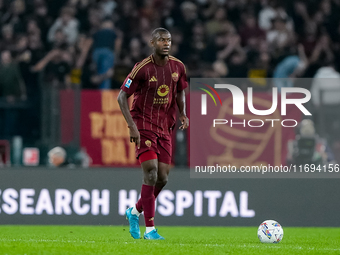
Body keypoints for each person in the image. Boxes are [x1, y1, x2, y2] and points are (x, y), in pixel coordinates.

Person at [117, 28, 189, 240]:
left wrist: (183, 113)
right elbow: (122, 97)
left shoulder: (178, 66)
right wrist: (132, 127)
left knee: (162, 178)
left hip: (165, 126)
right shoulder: (142, 68)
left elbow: (180, 90)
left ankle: (134, 211)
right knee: (150, 172)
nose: (166, 43)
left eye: (168, 40)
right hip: (143, 124)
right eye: (161, 40)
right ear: (152, 43)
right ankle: (150, 229)